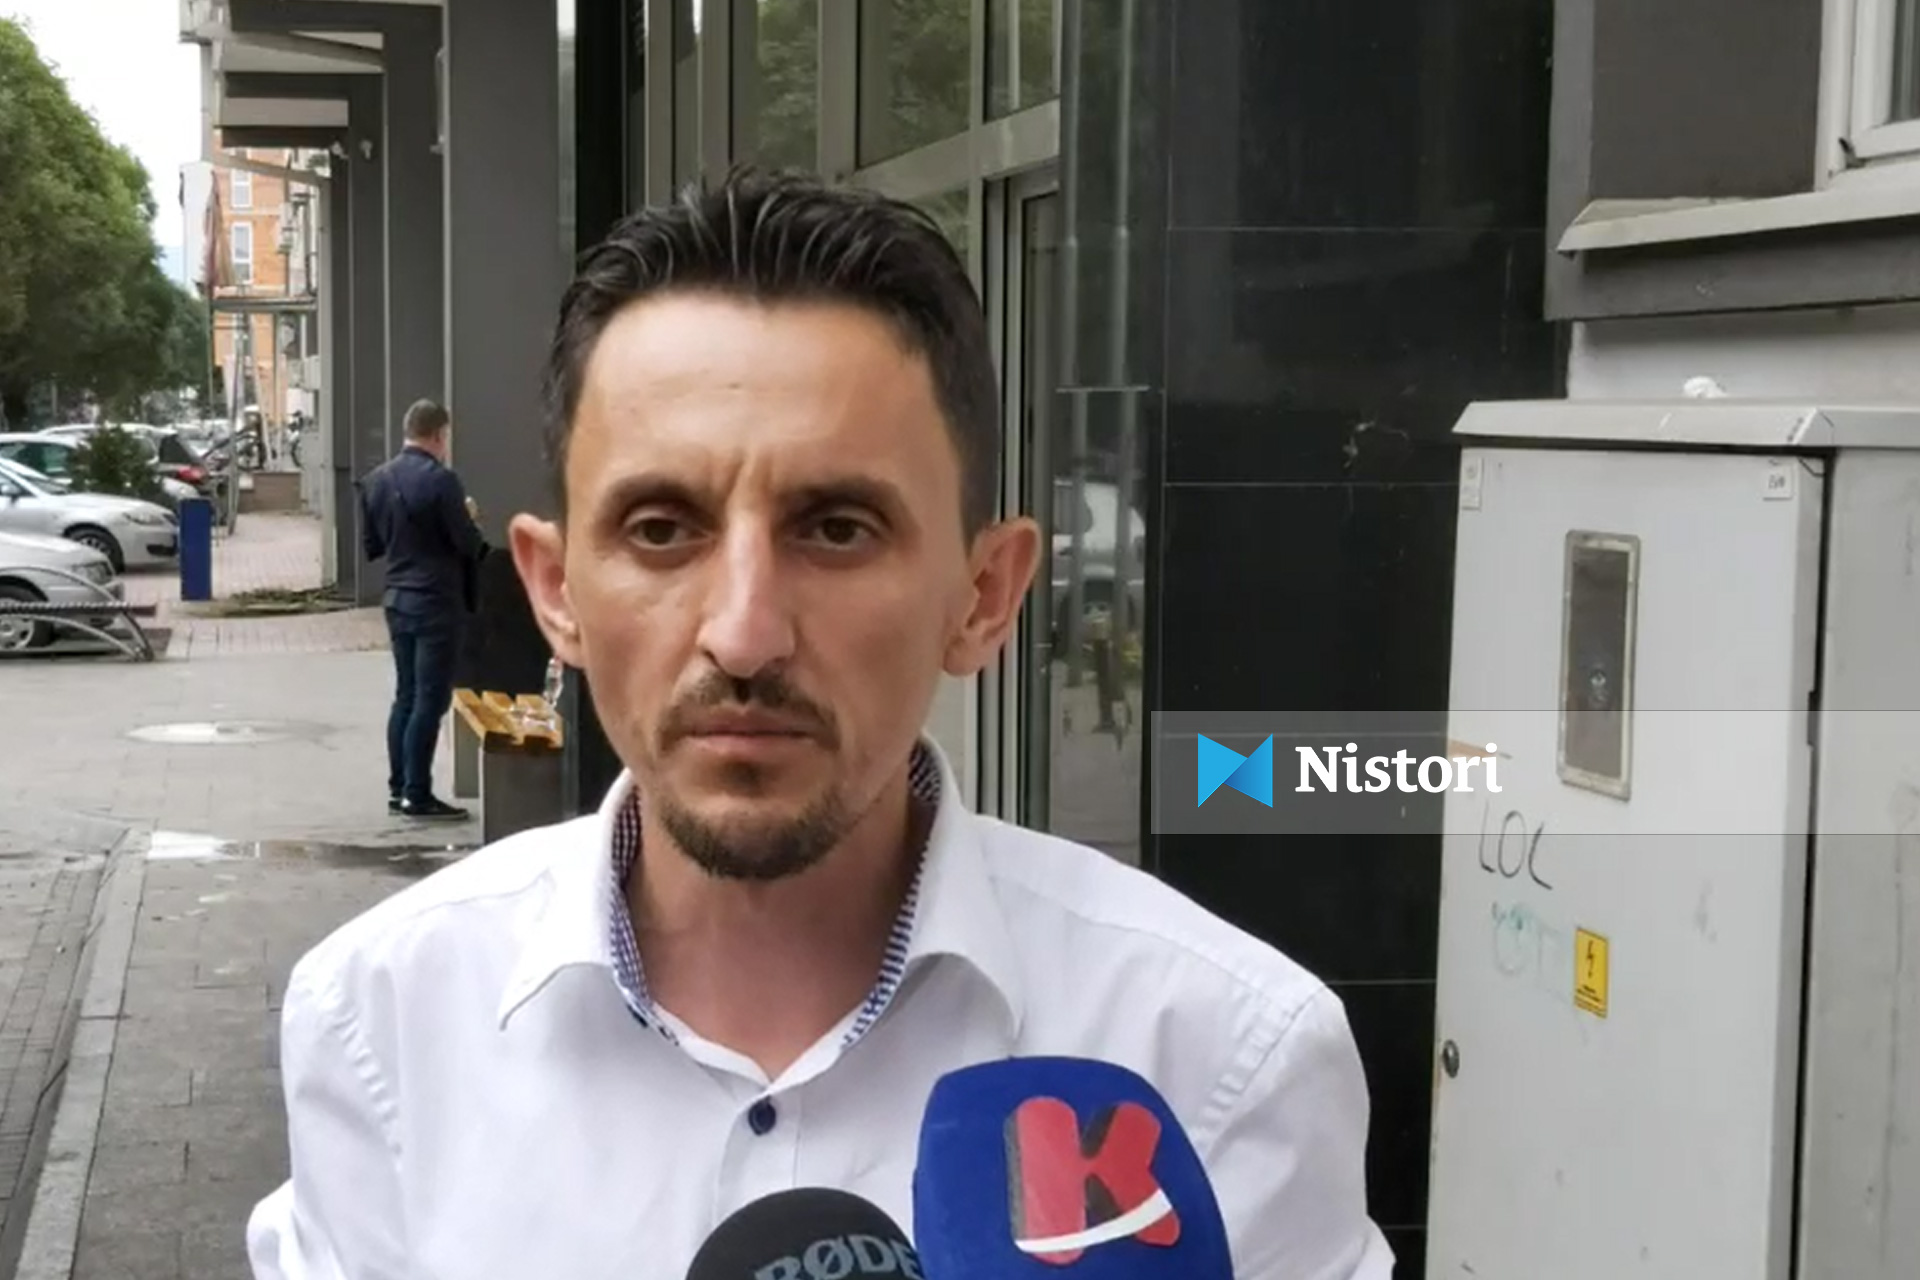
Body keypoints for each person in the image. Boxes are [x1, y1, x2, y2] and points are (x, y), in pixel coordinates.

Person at [247, 170, 1393, 1279]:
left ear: (984, 594)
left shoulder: (1223, 1058)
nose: (745, 634)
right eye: (661, 528)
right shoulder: (382, 1023)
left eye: (837, 528)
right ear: (557, 591)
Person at [356, 398, 484, 822]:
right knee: (431, 699)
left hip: (396, 598)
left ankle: (399, 788)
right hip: (436, 602)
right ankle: (418, 793)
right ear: (439, 435)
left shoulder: (376, 480)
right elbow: (468, 544)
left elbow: (373, 545)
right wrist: (470, 518)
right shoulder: (442, 481)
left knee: (406, 695)